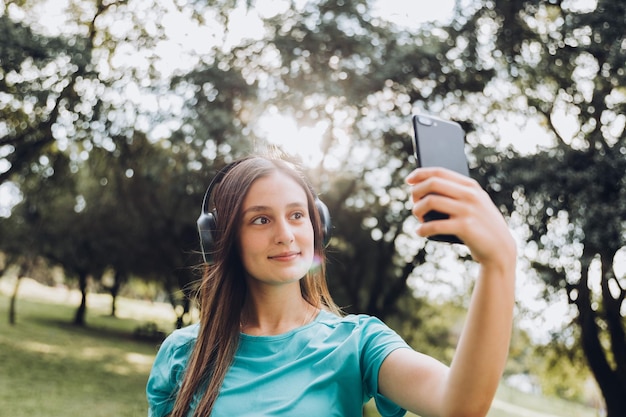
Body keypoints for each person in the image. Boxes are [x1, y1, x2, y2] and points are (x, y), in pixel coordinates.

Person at [146, 155, 516, 417]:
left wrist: (499, 263)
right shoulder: (182, 353)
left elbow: (460, 405)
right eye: (260, 219)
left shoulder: (359, 342)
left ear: (316, 226)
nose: (286, 235)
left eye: (296, 215)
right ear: (220, 239)